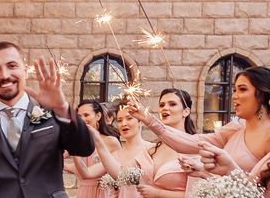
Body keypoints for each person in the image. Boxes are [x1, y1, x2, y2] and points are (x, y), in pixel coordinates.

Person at [0, 41, 95, 198]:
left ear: (25, 70)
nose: (5, 75)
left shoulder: (53, 114)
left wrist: (61, 107)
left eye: (12, 66)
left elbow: (84, 148)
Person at [128, 66, 270, 175]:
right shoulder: (234, 129)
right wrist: (147, 119)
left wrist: (229, 170)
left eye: (242, 89)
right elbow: (189, 143)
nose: (234, 96)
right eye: (234, 90)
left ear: (262, 93)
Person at [80, 102, 152, 198]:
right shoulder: (114, 156)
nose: (124, 124)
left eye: (129, 118)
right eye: (119, 120)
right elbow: (87, 173)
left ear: (141, 121)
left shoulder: (152, 149)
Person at [65, 100, 121, 198]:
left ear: (98, 116)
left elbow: (117, 171)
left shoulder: (111, 141)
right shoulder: (77, 141)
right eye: (79, 116)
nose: (82, 120)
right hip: (83, 192)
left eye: (86, 115)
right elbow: (58, 158)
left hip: (103, 193)